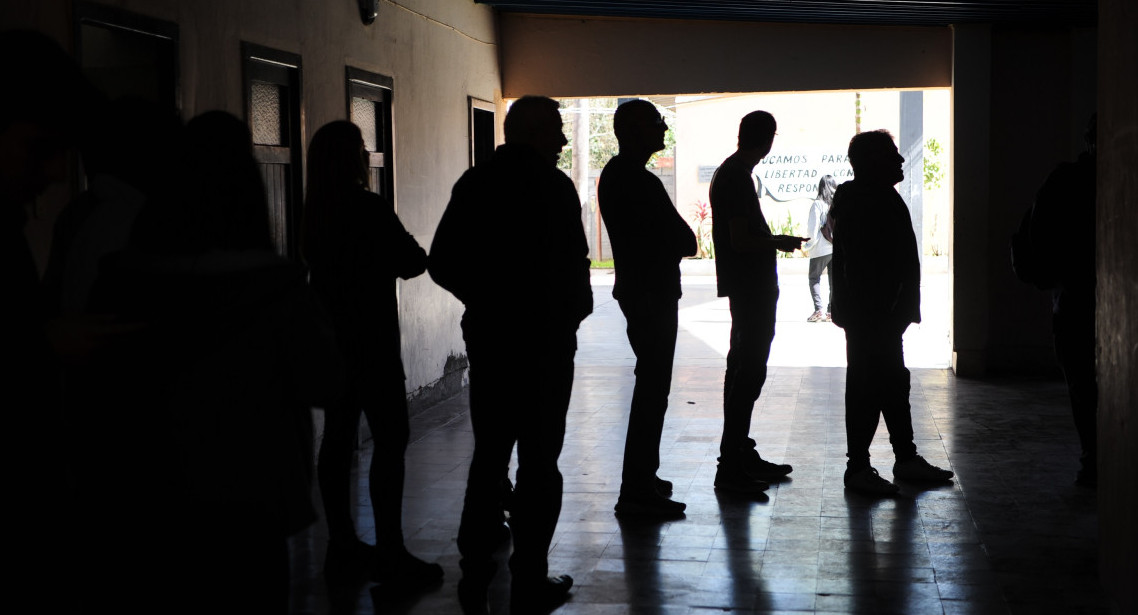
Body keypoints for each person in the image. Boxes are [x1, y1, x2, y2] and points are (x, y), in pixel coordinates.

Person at [77, 111, 343, 613]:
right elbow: (324, 383)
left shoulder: (121, 282)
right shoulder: (278, 290)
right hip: (253, 502)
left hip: (142, 494)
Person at [429, 95, 592, 615]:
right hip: (545, 346)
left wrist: (484, 300)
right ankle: (530, 575)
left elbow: (441, 262)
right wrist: (567, 313)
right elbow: (575, 268)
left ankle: (474, 569)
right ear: (535, 134)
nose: (564, 142)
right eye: (558, 131)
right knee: (541, 462)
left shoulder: (475, 184)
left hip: (493, 343)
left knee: (491, 454)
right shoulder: (554, 187)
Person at [301, 120, 442, 585]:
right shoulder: (369, 208)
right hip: (374, 343)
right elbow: (413, 261)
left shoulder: (314, 212)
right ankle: (390, 550)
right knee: (390, 440)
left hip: (332, 342)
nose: (367, 154)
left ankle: (341, 545)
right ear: (351, 158)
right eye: (362, 148)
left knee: (338, 442)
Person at [829, 129, 954, 496]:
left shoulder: (864, 197)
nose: (900, 161)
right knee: (871, 387)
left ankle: (903, 457)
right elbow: (866, 266)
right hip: (873, 318)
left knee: (891, 385)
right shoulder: (868, 200)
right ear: (871, 162)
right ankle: (860, 467)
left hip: (877, 317)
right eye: (892, 154)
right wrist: (884, 313)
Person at [597, 99, 695, 519]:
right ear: (635, 132)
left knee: (651, 388)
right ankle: (636, 488)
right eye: (657, 123)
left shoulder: (616, 176)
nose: (663, 131)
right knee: (653, 391)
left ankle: (643, 477)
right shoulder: (639, 181)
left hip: (639, 293)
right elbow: (686, 241)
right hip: (652, 295)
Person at [709, 111, 804, 496]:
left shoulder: (732, 173)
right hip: (750, 286)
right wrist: (778, 241)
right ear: (768, 139)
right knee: (747, 371)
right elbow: (740, 240)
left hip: (747, 286)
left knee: (743, 368)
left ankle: (739, 453)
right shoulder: (736, 177)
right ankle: (731, 464)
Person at [1017, 115, 1098, 487]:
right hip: (1075, 296)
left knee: (1083, 386)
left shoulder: (1065, 181)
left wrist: (1052, 277)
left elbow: (1033, 235)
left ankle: (1093, 459)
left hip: (1071, 298)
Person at [802, 175, 837, 322]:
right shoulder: (835, 204)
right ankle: (830, 312)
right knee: (833, 280)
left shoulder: (818, 204)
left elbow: (813, 229)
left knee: (814, 278)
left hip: (820, 248)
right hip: (834, 247)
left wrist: (808, 245)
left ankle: (818, 310)